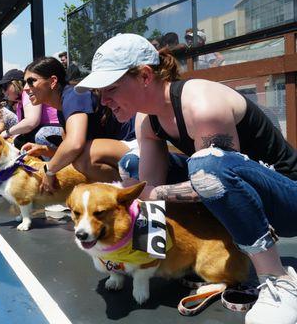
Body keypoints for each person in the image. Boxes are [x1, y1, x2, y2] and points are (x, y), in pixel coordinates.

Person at [75, 33, 297, 324]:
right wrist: (137, 254)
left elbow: (209, 180)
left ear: (144, 76)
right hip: (231, 187)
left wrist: (150, 193)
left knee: (208, 166)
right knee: (131, 164)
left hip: (285, 204)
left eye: (112, 88)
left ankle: (277, 279)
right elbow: (147, 187)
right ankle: (169, 254)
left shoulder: (202, 104)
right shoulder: (146, 118)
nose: (104, 101)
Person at [20, 57, 136, 193]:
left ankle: (128, 196)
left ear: (52, 81)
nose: (26, 88)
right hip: (122, 152)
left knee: (83, 160)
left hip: (136, 148)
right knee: (78, 159)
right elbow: (71, 152)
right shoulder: (62, 109)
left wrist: (49, 170)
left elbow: (75, 145)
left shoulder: (74, 95)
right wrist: (47, 150)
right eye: (24, 83)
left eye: (31, 81)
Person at [0, 69, 62, 150]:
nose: (3, 91)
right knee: (18, 141)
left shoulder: (27, 94)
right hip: (48, 129)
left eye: (5, 86)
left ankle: (51, 162)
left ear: (16, 84)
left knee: (38, 136)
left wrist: (7, 132)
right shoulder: (20, 104)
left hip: (56, 128)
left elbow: (31, 122)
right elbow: (24, 129)